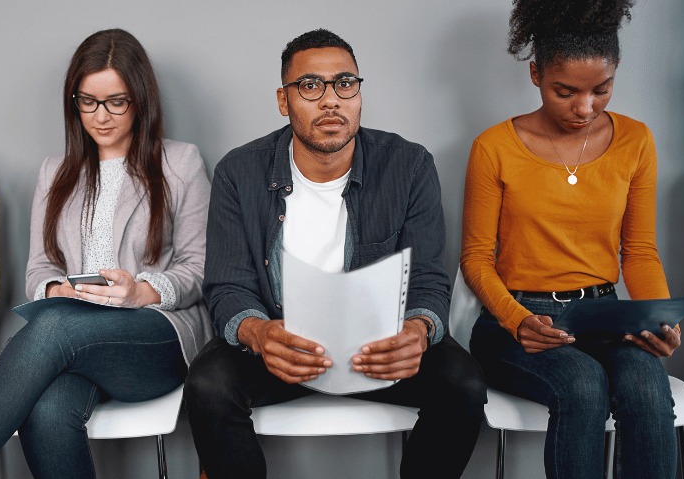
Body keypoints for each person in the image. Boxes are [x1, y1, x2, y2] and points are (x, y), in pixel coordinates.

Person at [184, 29, 486, 479]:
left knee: (463, 383)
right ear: (284, 101)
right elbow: (227, 284)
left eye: (345, 83)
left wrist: (418, 331)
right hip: (281, 342)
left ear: (359, 94)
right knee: (207, 385)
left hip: (378, 346)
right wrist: (259, 333)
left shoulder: (409, 165)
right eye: (310, 86)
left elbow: (428, 279)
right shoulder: (239, 172)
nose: (331, 100)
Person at [0, 28, 211, 479]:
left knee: (55, 327)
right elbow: (40, 267)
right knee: (47, 411)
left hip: (155, 338)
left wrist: (141, 292)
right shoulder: (55, 172)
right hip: (75, 339)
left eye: (117, 101)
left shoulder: (181, 163)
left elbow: (198, 268)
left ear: (141, 99)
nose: (101, 116)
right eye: (88, 101)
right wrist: (57, 288)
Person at [460, 0, 679, 477]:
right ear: (535, 73)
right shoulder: (493, 147)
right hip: (515, 320)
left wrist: (658, 316)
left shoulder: (636, 141)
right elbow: (475, 258)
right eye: (565, 92)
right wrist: (517, 320)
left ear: (616, 69)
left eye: (602, 89)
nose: (585, 107)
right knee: (581, 386)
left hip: (603, 312)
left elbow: (639, 251)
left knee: (645, 387)